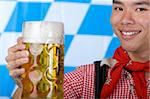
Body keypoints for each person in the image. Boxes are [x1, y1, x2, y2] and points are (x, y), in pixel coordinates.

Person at [5, 0, 150, 98]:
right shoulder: (91, 77)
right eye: (119, 8)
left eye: (141, 9)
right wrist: (28, 83)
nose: (125, 19)